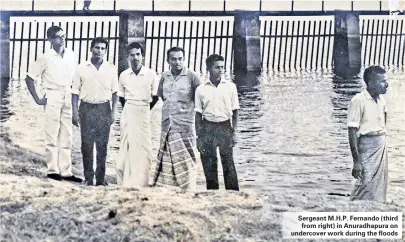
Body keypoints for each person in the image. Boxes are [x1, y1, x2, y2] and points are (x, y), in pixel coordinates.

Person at [25, 26, 82, 182]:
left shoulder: (71, 54)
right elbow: (29, 78)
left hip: (68, 94)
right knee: (52, 133)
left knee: (67, 135)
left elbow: (75, 79)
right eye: (58, 36)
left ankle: (66, 171)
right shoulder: (45, 57)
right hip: (52, 95)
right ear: (49, 39)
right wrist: (37, 99)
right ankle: (52, 170)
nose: (62, 39)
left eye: (63, 36)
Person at [152, 47, 201, 191]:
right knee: (168, 158)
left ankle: (188, 188)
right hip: (167, 123)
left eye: (180, 58)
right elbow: (160, 96)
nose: (177, 62)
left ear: (184, 59)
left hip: (185, 124)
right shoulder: (165, 77)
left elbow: (199, 99)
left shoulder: (192, 76)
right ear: (168, 60)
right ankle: (169, 188)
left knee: (187, 158)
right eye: (173, 59)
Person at [72, 37, 118, 186]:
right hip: (86, 108)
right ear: (91, 49)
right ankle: (88, 178)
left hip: (104, 109)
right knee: (86, 145)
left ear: (105, 51)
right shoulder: (81, 68)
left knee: (102, 146)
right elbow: (75, 92)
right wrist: (74, 112)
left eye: (102, 48)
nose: (99, 51)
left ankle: (100, 179)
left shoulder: (111, 68)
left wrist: (113, 112)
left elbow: (115, 93)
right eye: (97, 48)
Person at [116, 42, 159, 188]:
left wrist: (144, 109)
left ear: (143, 56)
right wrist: (131, 108)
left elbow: (156, 97)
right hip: (129, 112)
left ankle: (142, 182)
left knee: (144, 147)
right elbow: (121, 97)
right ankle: (126, 181)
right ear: (128, 57)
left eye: (138, 54)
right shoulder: (123, 75)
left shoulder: (151, 74)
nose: (135, 58)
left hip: (144, 112)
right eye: (132, 55)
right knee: (127, 146)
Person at [195, 54, 240, 191]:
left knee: (228, 164)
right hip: (208, 127)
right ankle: (212, 193)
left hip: (225, 126)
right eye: (217, 67)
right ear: (209, 69)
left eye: (222, 67)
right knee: (209, 164)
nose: (221, 70)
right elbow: (198, 114)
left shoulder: (230, 87)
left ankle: (233, 195)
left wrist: (234, 132)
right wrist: (199, 137)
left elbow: (235, 111)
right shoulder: (201, 89)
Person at [348, 65, 389, 202]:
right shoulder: (358, 100)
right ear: (371, 83)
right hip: (366, 146)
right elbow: (352, 131)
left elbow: (383, 124)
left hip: (380, 145)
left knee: (379, 184)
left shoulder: (382, 101)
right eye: (382, 81)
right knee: (364, 182)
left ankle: (375, 209)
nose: (386, 84)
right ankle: (353, 209)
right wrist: (356, 161)